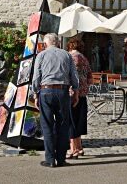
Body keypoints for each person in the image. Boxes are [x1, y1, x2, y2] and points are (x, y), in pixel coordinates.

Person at [32, 33, 80, 168]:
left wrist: (35, 93)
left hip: (46, 91)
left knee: (47, 125)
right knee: (63, 125)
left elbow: (36, 77)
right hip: (62, 91)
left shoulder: (41, 55)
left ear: (46, 44)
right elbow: (74, 76)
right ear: (58, 43)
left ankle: (50, 159)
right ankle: (61, 158)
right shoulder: (66, 55)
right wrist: (75, 92)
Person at [67, 38, 91, 160]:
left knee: (71, 121)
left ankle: (73, 149)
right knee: (79, 121)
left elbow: (69, 76)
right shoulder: (84, 58)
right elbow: (90, 77)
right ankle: (79, 147)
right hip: (83, 93)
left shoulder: (70, 57)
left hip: (72, 93)